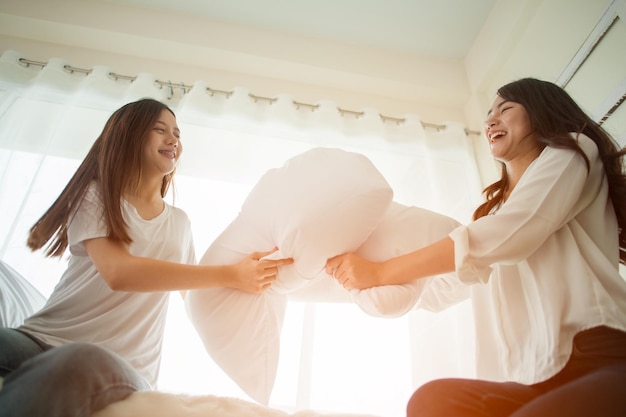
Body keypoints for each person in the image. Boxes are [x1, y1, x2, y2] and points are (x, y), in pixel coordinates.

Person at [326, 78, 626, 417]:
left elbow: (512, 231)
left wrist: (380, 273)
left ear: (541, 113)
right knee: (432, 400)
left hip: (596, 354)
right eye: (488, 114)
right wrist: (370, 282)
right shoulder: (488, 214)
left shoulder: (573, 150)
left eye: (506, 109)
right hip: (530, 375)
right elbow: (453, 284)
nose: (490, 121)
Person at [0, 98, 293, 417]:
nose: (173, 139)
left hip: (122, 367)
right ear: (129, 137)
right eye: (160, 130)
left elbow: (195, 296)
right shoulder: (95, 196)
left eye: (177, 133)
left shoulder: (178, 223)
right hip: (38, 340)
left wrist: (255, 270)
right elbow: (119, 273)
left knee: (80, 360)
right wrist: (230, 274)